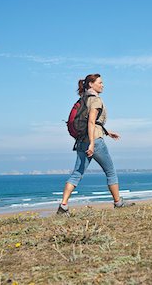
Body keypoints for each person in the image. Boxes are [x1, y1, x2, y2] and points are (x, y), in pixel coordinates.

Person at [57, 73, 134, 216]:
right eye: (100, 82)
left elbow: (92, 123)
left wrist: (108, 132)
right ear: (91, 84)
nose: (102, 85)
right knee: (110, 171)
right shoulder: (95, 100)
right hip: (94, 141)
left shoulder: (83, 99)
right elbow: (91, 122)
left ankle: (63, 206)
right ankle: (118, 203)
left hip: (81, 141)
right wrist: (92, 144)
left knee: (76, 174)